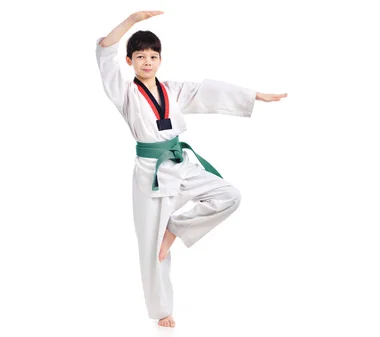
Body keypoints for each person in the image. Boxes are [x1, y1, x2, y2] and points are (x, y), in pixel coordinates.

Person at [95, 10, 287, 328]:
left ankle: (178, 228)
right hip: (151, 176)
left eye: (153, 56)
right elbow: (104, 51)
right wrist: (131, 21)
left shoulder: (171, 89)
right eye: (139, 56)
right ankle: (161, 311)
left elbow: (205, 92)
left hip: (182, 166)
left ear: (160, 59)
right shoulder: (125, 93)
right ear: (129, 61)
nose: (147, 61)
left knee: (229, 195)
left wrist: (253, 95)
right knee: (151, 248)